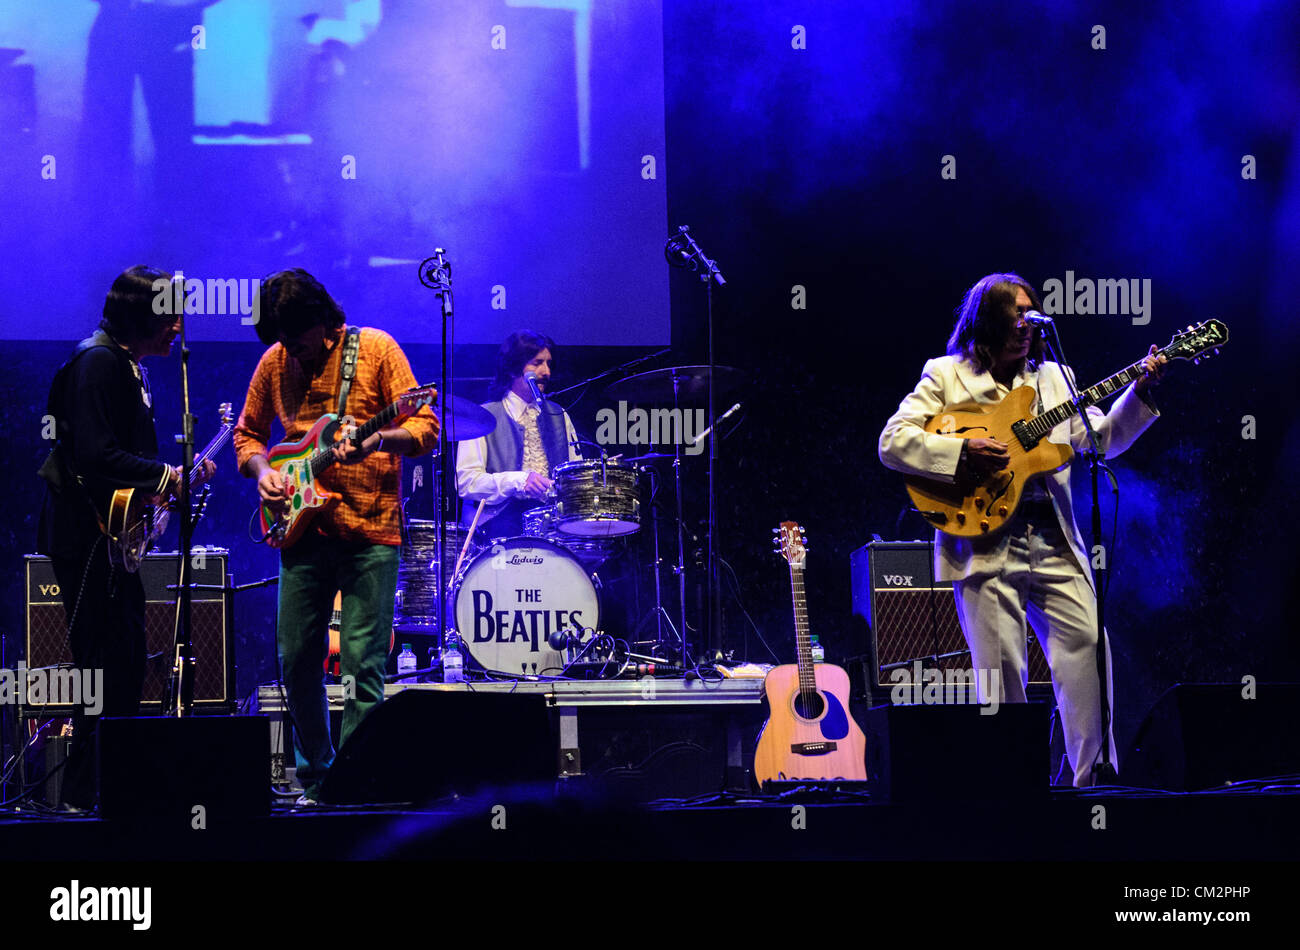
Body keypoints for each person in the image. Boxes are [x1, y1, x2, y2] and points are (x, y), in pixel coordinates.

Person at [878, 272, 1167, 787]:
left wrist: (1139, 393)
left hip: (1054, 539)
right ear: (984, 320)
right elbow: (893, 441)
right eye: (1015, 315)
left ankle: (1096, 782)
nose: (1026, 325)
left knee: (1089, 649)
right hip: (985, 541)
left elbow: (1100, 440)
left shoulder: (1056, 378)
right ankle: (1010, 793)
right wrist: (961, 451)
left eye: (1032, 314)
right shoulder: (946, 374)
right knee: (1002, 675)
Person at [233, 269, 439, 804]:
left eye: (297, 340)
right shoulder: (274, 361)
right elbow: (248, 434)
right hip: (301, 529)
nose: (290, 352)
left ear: (327, 323)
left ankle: (358, 784)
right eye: (281, 341)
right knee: (296, 658)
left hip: (370, 528)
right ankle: (319, 778)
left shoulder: (376, 349)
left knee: (361, 666)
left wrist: (375, 442)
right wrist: (265, 473)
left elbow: (425, 429)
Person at [37, 265, 216, 811]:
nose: (179, 326)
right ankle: (82, 800)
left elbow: (123, 464)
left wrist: (168, 488)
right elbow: (94, 455)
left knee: (124, 664)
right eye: (170, 315)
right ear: (143, 316)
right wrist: (166, 477)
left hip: (114, 542)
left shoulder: (129, 366)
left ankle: (101, 793)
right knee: (104, 666)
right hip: (87, 543)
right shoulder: (97, 364)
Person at [455, 330, 581, 538]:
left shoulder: (559, 415)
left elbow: (575, 476)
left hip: (554, 527)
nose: (546, 371)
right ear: (514, 369)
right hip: (497, 526)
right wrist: (518, 481)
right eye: (537, 363)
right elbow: (466, 482)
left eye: (548, 363)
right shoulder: (483, 417)